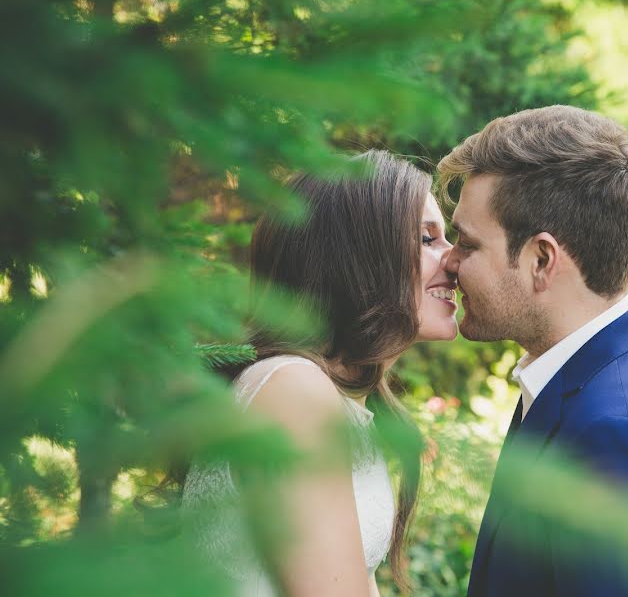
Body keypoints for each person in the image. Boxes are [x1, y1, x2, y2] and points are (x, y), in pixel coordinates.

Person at [438, 105, 628, 596]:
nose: (449, 260)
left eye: (467, 244)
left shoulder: (620, 438)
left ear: (541, 259)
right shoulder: (603, 370)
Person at [183, 150, 458, 597]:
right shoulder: (294, 391)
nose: (454, 260)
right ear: (359, 257)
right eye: (427, 240)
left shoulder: (335, 398)